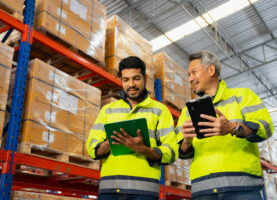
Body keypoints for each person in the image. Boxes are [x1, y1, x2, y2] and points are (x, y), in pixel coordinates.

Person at [176, 50, 273, 200]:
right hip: (203, 191)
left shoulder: (242, 96)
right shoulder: (187, 112)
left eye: (194, 72)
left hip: (242, 188)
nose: (190, 79)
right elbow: (182, 152)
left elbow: (265, 128)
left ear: (211, 70)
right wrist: (187, 141)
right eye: (189, 75)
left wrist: (233, 128)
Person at [86, 56, 178, 200]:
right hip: (110, 191)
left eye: (136, 78)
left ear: (145, 78)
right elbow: (92, 148)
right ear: (121, 80)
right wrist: (112, 141)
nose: (131, 84)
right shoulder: (108, 110)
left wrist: (143, 149)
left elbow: (171, 152)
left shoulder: (160, 111)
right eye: (126, 80)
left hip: (144, 192)